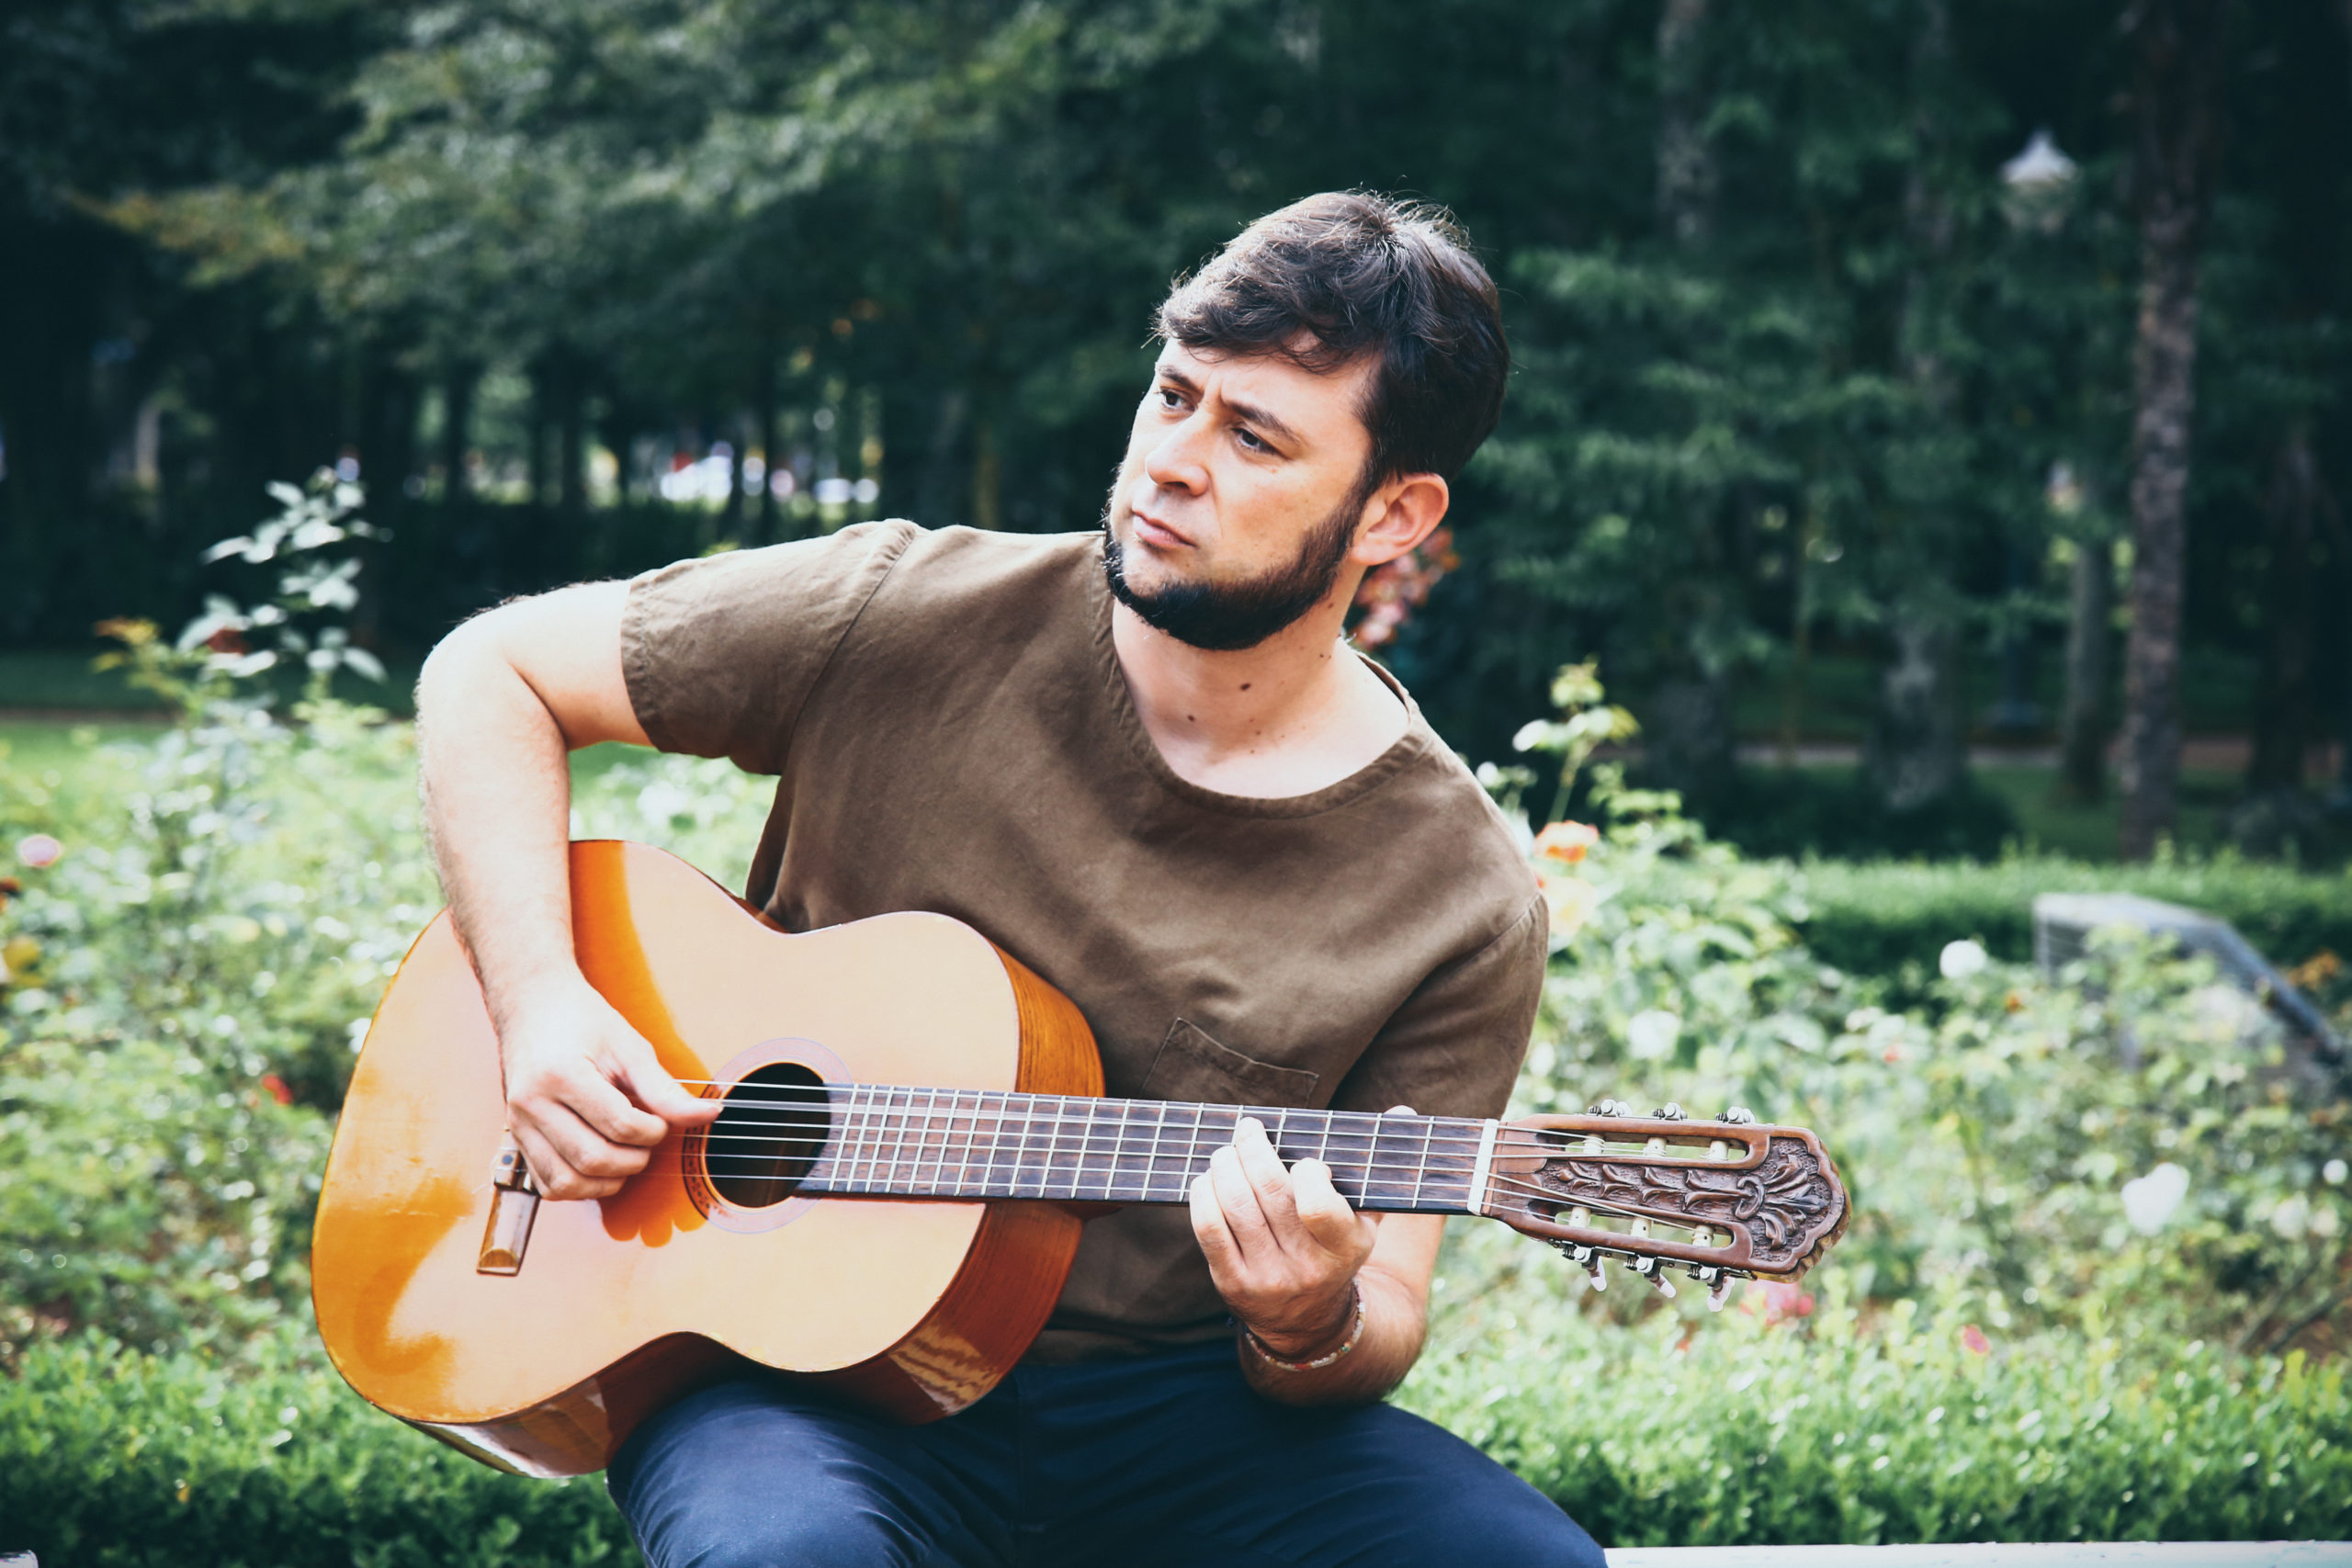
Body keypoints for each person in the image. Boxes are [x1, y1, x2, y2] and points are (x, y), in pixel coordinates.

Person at [414, 191, 1605, 1568]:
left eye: (1253, 435)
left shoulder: (1455, 891)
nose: (1170, 460)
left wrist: (1309, 1316)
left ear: (1394, 513)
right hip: (792, 1378)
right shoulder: (902, 614)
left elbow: (1380, 1313)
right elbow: (488, 673)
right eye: (1172, 395)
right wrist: (542, 1006)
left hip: (1183, 1415)